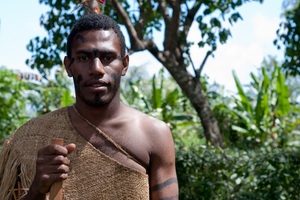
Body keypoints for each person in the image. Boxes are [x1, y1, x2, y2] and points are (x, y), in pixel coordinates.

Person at [0, 14, 178, 200]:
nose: (97, 69)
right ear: (69, 66)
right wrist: (37, 189)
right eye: (84, 58)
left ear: (124, 65)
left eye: (108, 57)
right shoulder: (29, 137)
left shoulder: (154, 134)